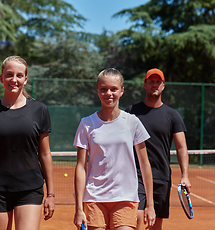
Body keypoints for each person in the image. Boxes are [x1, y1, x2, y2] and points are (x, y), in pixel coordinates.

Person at [0, 56, 55, 230]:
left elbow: (45, 153)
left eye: (19, 75)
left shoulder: (39, 110)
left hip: (30, 188)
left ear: (25, 79)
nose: (14, 80)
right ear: (2, 77)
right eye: (9, 75)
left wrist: (51, 194)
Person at [73, 68, 156, 230]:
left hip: (126, 198)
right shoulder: (86, 124)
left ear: (122, 91)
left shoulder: (132, 122)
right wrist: (78, 208)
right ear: (97, 91)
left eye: (113, 89)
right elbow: (81, 167)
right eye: (103, 89)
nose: (108, 93)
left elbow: (145, 165)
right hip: (94, 199)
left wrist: (150, 205)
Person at [125, 68, 191, 230]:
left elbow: (181, 148)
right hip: (136, 175)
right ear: (145, 85)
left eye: (158, 82)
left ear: (163, 86)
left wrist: (185, 176)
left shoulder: (172, 115)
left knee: (155, 224)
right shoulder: (131, 112)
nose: (154, 85)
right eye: (151, 81)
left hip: (162, 177)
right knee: (136, 218)